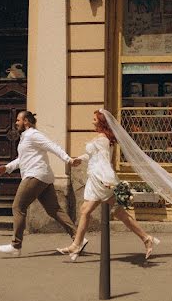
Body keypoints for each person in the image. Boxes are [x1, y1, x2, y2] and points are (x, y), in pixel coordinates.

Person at [57, 110, 160, 262]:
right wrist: (79, 159)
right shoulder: (102, 138)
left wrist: (107, 180)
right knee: (112, 212)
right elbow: (94, 156)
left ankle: (76, 244)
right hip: (95, 179)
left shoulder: (103, 139)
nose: (92, 121)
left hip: (101, 181)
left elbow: (105, 160)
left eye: (94, 119)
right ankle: (146, 238)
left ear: (101, 122)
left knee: (95, 211)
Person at [0, 110, 83, 257]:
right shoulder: (26, 137)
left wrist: (68, 159)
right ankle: (78, 238)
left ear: (26, 121)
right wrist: (8, 167)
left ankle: (16, 245)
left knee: (18, 207)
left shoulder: (34, 135)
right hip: (43, 177)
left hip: (35, 175)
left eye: (18, 120)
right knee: (54, 209)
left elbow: (52, 146)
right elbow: (22, 158)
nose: (16, 123)